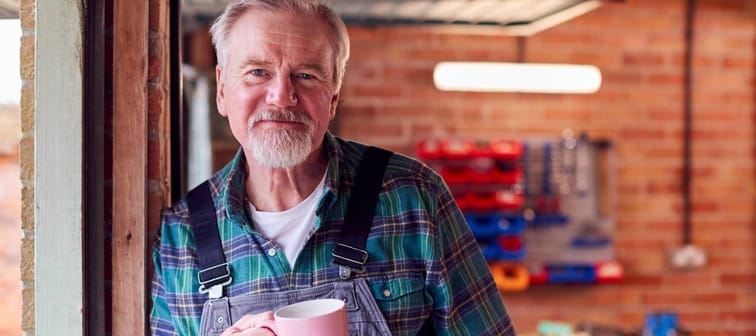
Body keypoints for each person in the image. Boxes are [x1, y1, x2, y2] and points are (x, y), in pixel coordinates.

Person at [150, 0, 515, 335]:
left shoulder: (414, 198)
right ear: (222, 91)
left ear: (334, 97)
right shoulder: (181, 238)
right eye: (258, 72)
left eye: (306, 75)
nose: (281, 96)